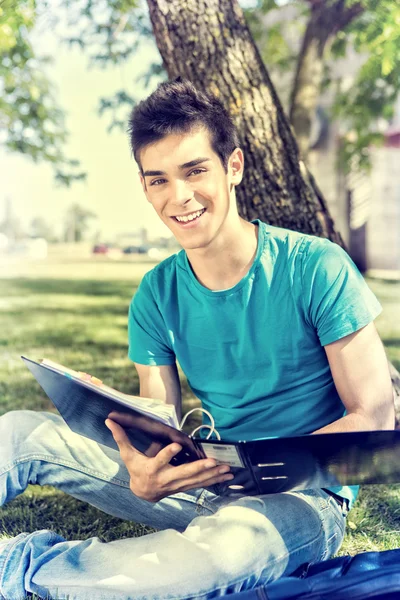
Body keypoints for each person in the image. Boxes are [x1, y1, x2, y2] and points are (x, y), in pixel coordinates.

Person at [0, 79, 395, 600]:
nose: (179, 197)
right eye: (159, 179)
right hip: (201, 478)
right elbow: (157, 417)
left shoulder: (316, 267)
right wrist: (143, 464)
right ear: (145, 187)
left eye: (195, 171)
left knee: (203, 565)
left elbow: (373, 414)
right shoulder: (156, 293)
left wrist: (262, 467)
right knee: (20, 431)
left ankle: (19, 568)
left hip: (304, 501)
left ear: (233, 167)